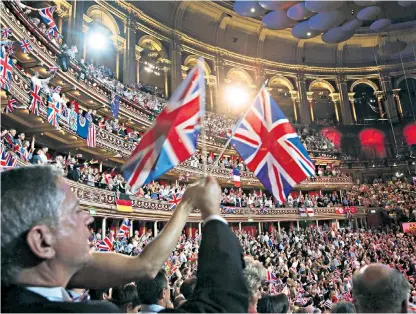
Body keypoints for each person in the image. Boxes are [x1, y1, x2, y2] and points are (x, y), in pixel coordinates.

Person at [0, 166, 213, 312]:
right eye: (76, 212)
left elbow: (146, 266)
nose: (89, 218)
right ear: (42, 242)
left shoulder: (33, 274)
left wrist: (186, 204)